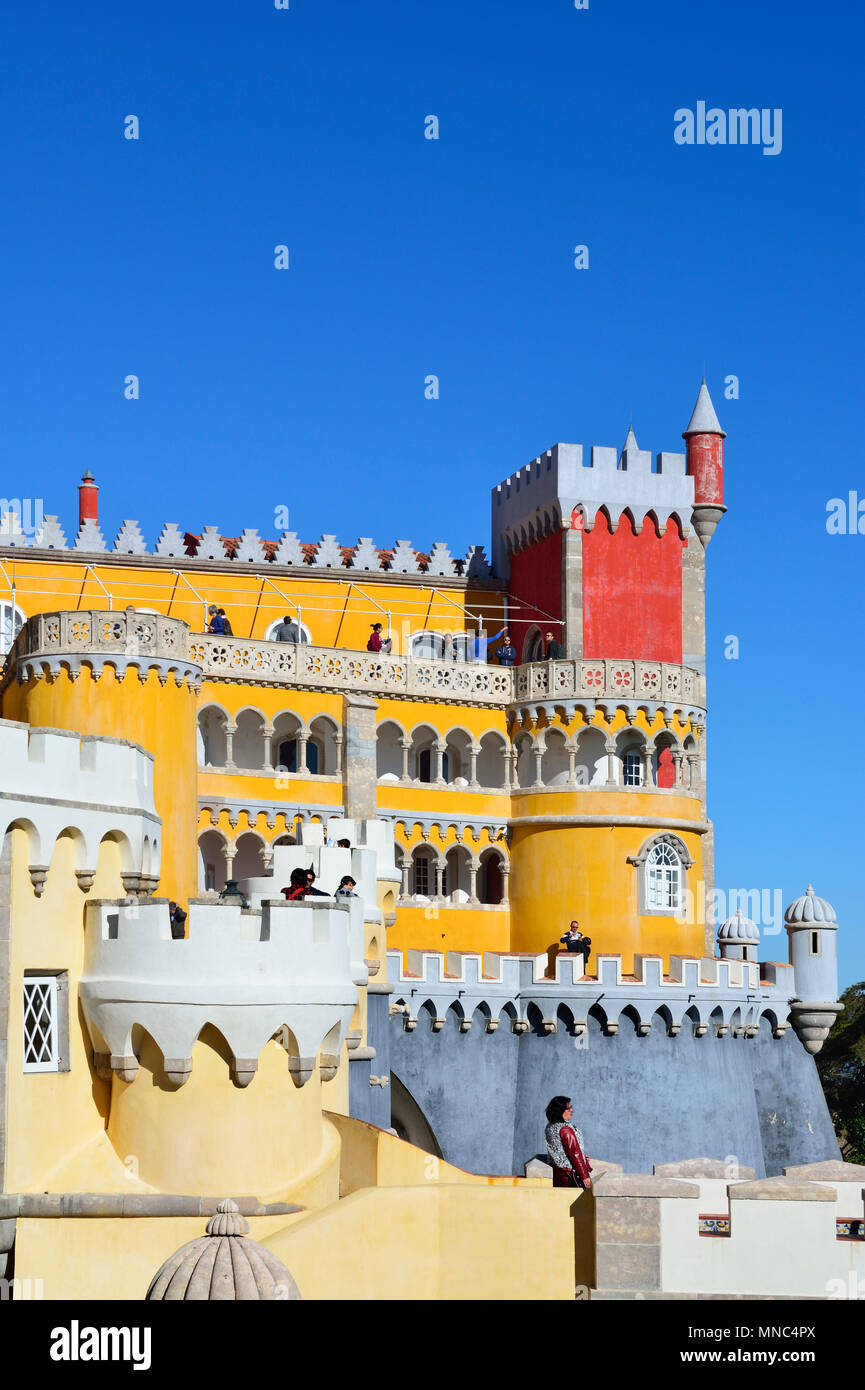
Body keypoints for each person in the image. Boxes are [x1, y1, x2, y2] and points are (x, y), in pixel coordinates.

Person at [544, 1096, 593, 1189]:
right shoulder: (565, 1129)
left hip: (558, 1175)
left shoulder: (550, 1126)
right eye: (568, 1108)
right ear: (560, 1110)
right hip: (570, 1176)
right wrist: (585, 1176)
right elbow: (575, 1153)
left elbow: (559, 1149)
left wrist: (582, 1156)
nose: (572, 1110)